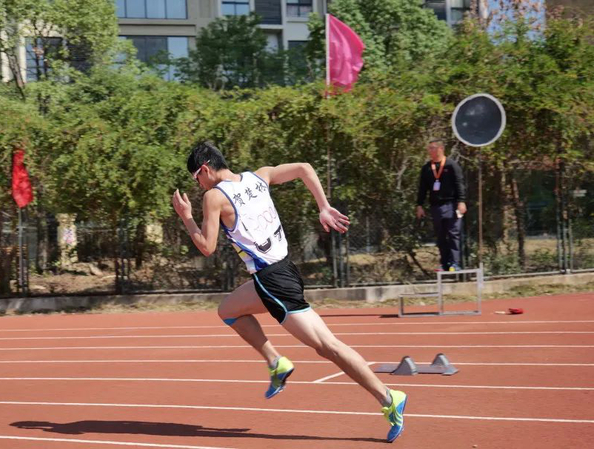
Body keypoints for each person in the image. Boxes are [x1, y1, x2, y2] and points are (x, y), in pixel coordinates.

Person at [171, 142, 407, 443]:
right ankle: (276, 362)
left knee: (329, 347)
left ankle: (388, 397)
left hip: (274, 283)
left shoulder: (214, 197)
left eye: (196, 179)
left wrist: (186, 217)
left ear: (204, 169)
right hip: (282, 271)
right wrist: (323, 206)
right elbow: (304, 168)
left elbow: (207, 246)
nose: (199, 185)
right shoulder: (259, 176)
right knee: (228, 310)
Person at [416, 139, 467, 272]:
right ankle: (444, 264)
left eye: (432, 148)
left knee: (453, 233)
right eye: (429, 148)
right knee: (440, 235)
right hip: (436, 206)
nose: (430, 151)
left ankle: (455, 263)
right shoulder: (427, 168)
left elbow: (459, 184)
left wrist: (461, 201)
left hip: (452, 204)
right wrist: (419, 205)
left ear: (440, 149)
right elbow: (422, 188)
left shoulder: (451, 165)